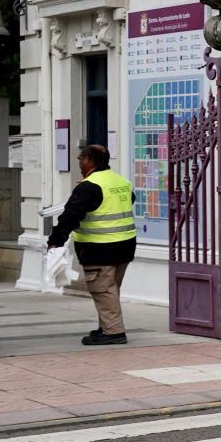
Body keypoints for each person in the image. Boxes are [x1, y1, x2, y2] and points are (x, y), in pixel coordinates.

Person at [47, 142, 137, 345]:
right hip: (125, 245)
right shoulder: (120, 181)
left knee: (103, 289)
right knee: (111, 288)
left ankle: (114, 332)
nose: (79, 163)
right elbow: (127, 201)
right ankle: (106, 325)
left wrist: (55, 241)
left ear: (88, 161)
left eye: (80, 159)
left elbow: (70, 215)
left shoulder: (89, 186)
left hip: (99, 247)